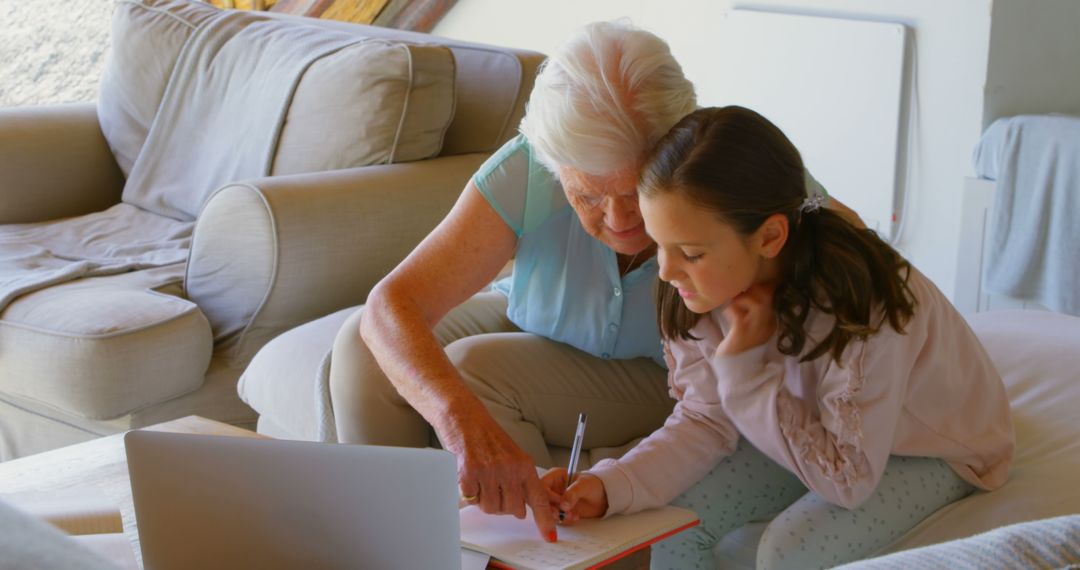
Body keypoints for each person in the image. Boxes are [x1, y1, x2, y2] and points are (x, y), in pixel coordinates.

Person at [329, 22, 855, 542]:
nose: (620, 219)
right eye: (587, 196)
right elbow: (392, 303)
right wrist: (457, 423)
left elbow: (858, 254)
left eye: (635, 192)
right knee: (362, 345)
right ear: (556, 167)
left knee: (476, 369)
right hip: (540, 321)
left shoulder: (722, 167)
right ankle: (391, 539)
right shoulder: (528, 167)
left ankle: (540, 548)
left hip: (666, 373)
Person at [543, 106, 1014, 569]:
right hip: (811, 424)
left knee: (787, 554)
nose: (664, 271)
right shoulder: (700, 291)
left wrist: (745, 374)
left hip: (929, 449)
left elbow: (848, 479)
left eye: (688, 252)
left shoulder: (862, 310)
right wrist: (612, 485)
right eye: (658, 244)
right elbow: (706, 420)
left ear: (769, 238)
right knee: (674, 522)